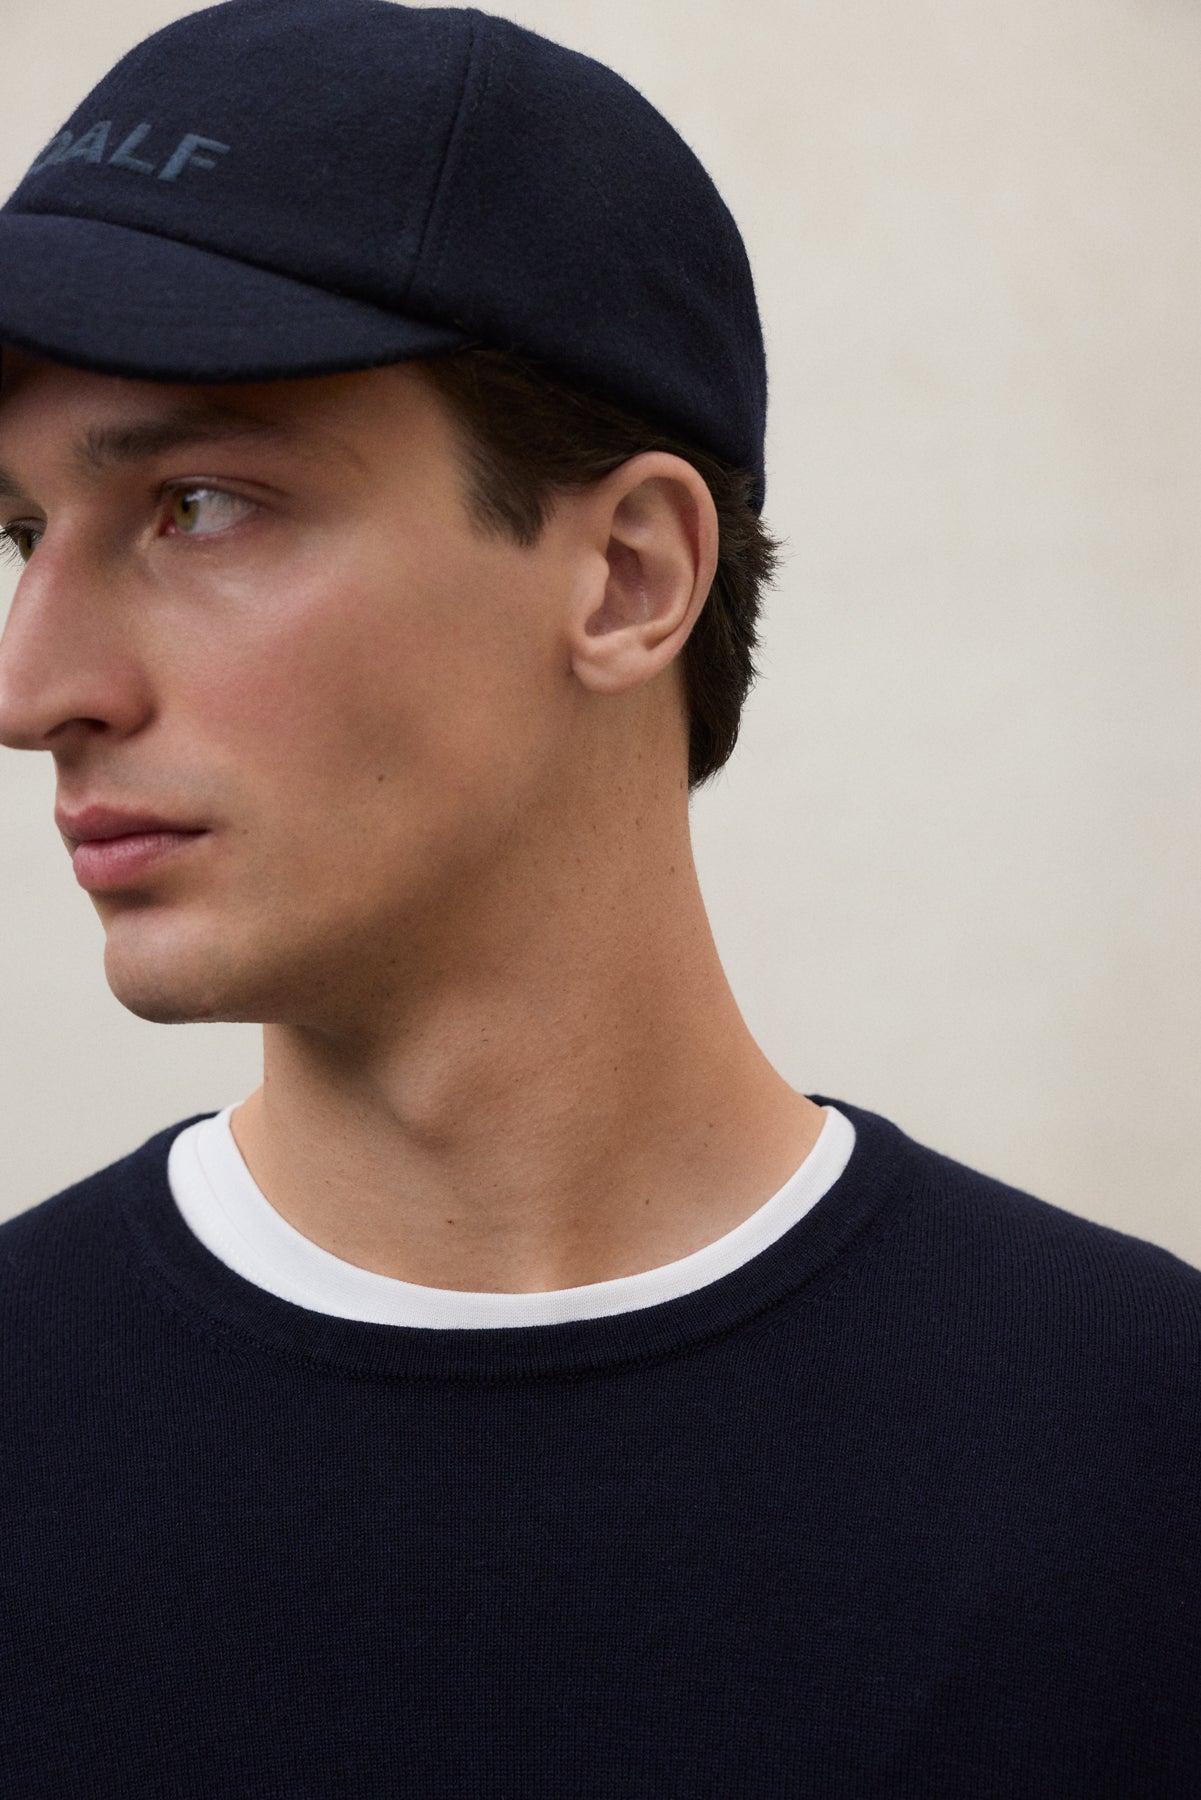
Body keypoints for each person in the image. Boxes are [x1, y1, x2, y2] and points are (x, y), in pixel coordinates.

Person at [0, 1, 1197, 1793]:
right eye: (22, 535)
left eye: (198, 504)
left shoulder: (1139, 1450)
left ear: (630, 576)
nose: (33, 691)